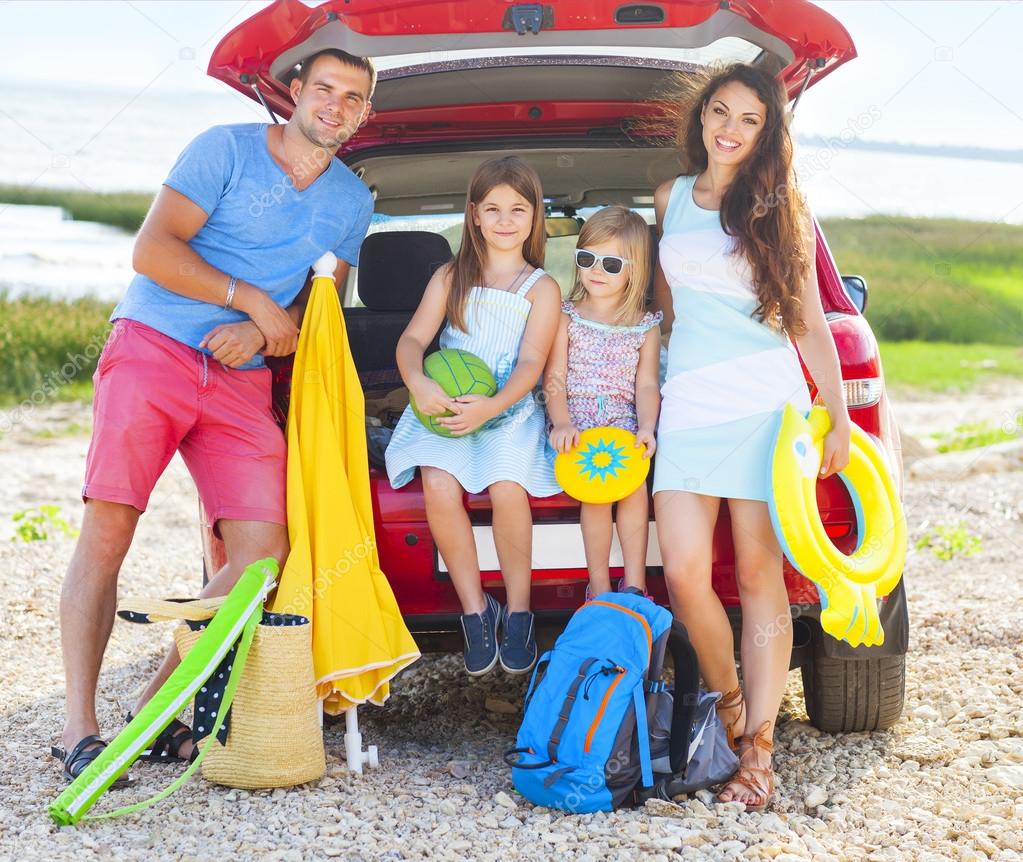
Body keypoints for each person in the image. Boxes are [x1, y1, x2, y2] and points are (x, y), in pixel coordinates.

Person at [53, 49, 376, 782]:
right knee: (109, 529)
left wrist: (265, 329)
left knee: (264, 556)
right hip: (153, 348)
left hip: (239, 378)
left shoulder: (353, 200)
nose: (335, 105)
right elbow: (151, 250)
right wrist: (249, 300)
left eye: (353, 98)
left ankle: (153, 705)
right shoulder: (223, 149)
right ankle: (78, 728)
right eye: (324, 89)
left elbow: (313, 309)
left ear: (364, 115)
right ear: (293, 93)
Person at [651, 63, 851, 811]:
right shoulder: (670, 198)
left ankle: (758, 751)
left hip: (765, 403)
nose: (729, 130)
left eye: (748, 120)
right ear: (700, 116)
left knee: (759, 576)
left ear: (768, 134)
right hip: (688, 403)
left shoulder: (776, 206)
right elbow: (668, 314)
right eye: (720, 113)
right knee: (682, 574)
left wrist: (829, 410)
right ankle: (731, 708)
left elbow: (804, 319)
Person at [385, 155, 561, 677]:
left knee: (508, 486)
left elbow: (532, 361)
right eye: (493, 209)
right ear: (474, 216)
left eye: (518, 209)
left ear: (535, 218)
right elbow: (414, 339)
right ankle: (475, 610)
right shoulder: (450, 275)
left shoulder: (541, 287)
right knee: (438, 485)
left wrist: (494, 404)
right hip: (445, 405)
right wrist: (418, 383)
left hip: (506, 407)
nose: (505, 220)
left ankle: (521, 610)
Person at [543, 206, 661, 600]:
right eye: (586, 258)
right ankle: (597, 585)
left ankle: (634, 584)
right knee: (595, 493)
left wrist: (645, 428)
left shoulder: (644, 324)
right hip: (575, 423)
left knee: (633, 486)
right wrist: (560, 422)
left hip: (621, 422)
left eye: (611, 263)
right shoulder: (567, 316)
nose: (596, 270)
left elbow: (646, 385)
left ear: (635, 269)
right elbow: (554, 379)